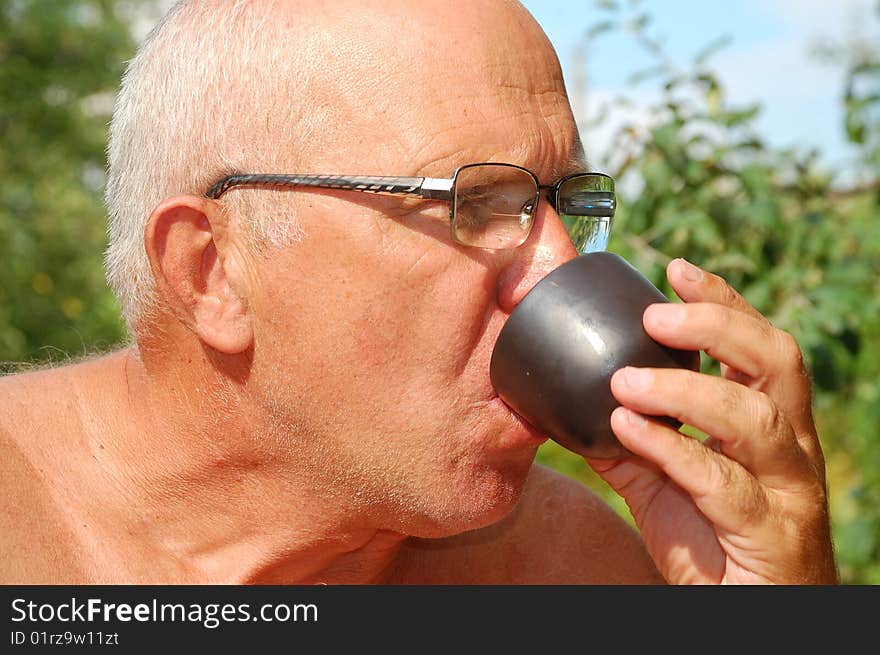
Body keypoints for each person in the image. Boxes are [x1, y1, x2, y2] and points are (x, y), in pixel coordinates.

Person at [0, 0, 837, 584]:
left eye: (564, 204)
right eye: (476, 203)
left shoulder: (579, 571)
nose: (558, 270)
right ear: (211, 272)